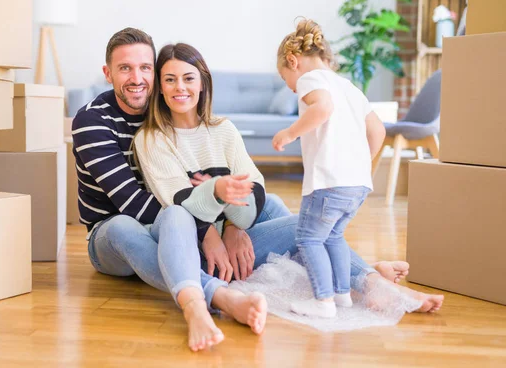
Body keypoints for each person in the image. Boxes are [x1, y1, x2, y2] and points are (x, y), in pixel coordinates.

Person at [72, 29, 440, 351]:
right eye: (125, 69)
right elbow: (139, 204)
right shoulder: (103, 123)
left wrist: (233, 228)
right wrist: (210, 232)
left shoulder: (218, 127)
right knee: (144, 221)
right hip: (127, 232)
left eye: (145, 68)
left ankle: (363, 278)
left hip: (196, 228)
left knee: (290, 214)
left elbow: (254, 186)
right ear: (108, 73)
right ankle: (216, 297)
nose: (138, 78)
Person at [271, 18, 383, 318]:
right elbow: (378, 131)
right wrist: (359, 164)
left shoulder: (310, 79)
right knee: (334, 237)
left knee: (309, 238)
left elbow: (322, 108)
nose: (290, 86)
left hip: (329, 181)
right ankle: (342, 294)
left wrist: (289, 133)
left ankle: (323, 301)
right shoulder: (348, 87)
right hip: (357, 184)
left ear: (293, 61)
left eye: (285, 79)